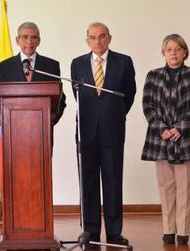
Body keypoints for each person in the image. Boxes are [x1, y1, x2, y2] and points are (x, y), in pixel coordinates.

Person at [141, 34, 190, 245]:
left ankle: (183, 233)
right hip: (161, 140)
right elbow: (147, 105)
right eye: (169, 49)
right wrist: (162, 128)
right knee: (166, 188)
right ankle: (168, 230)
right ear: (163, 53)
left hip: (188, 139)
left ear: (185, 52)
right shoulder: (153, 76)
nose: (173, 52)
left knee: (184, 189)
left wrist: (180, 127)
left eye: (177, 49)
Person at [70, 22, 136, 245]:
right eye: (93, 37)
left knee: (113, 180)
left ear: (109, 38)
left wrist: (112, 115)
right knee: (87, 181)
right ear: (87, 40)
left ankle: (115, 232)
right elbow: (78, 96)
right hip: (85, 131)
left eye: (102, 36)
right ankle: (89, 230)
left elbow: (129, 95)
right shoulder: (77, 64)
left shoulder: (124, 62)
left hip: (113, 130)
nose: (97, 41)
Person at [0, 21, 66, 124]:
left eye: (33, 37)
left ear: (39, 41)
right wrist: (4, 121)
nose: (29, 41)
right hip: (13, 127)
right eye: (25, 37)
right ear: (17, 40)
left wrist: (50, 120)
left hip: (42, 127)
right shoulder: (5, 67)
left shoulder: (51, 66)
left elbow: (60, 98)